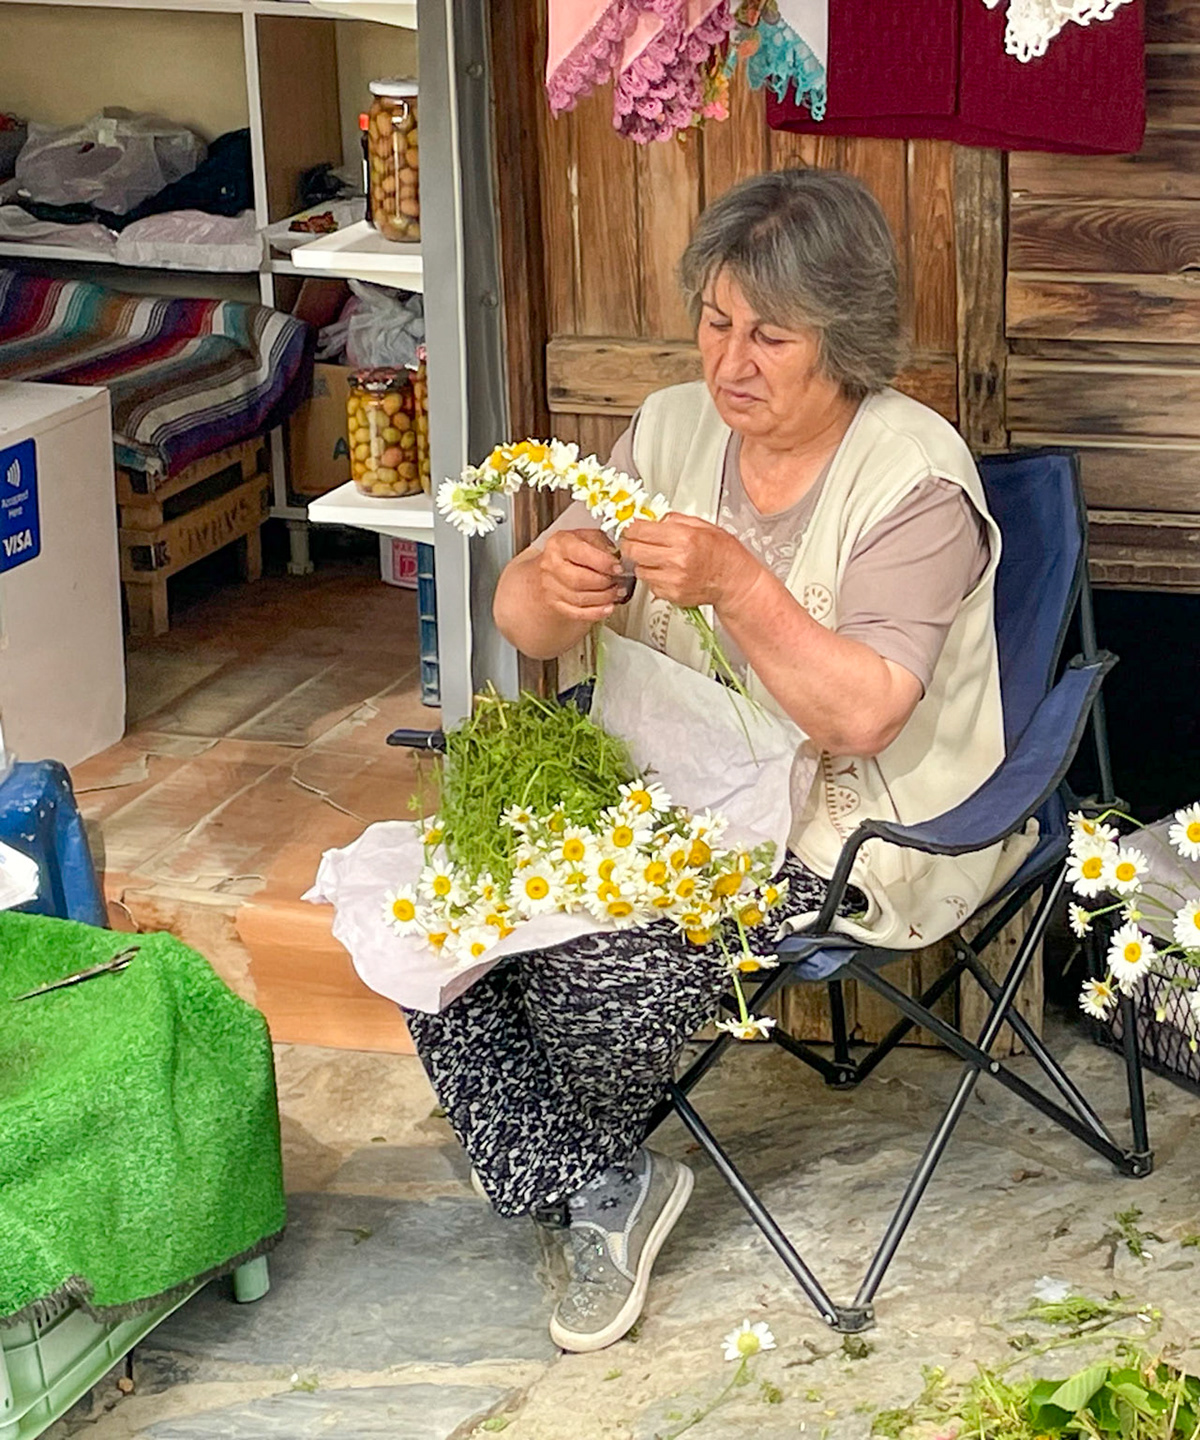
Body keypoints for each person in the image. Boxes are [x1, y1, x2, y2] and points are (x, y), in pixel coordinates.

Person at [405, 168, 1029, 1353]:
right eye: (715, 321)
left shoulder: (914, 480)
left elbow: (864, 716)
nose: (730, 363)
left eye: (770, 336)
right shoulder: (668, 429)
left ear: (843, 343)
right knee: (436, 915)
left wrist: (738, 582)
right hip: (658, 798)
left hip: (847, 830)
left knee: (582, 970)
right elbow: (525, 625)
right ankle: (602, 1179)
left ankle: (558, 1167)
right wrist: (544, 582)